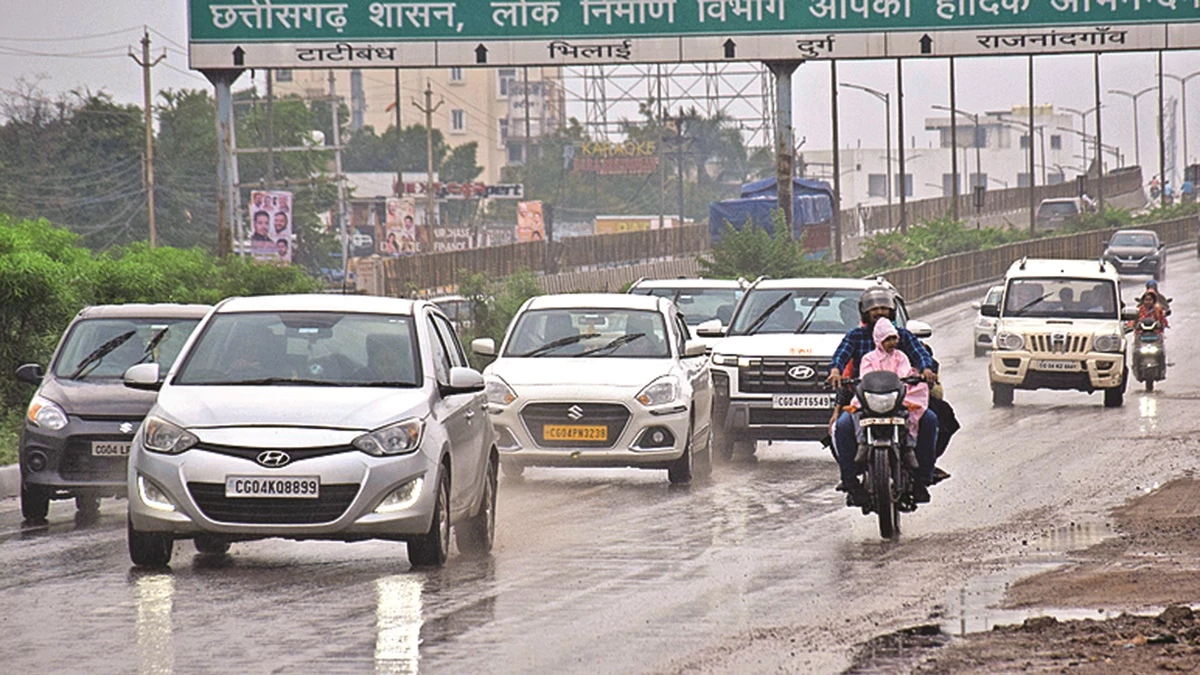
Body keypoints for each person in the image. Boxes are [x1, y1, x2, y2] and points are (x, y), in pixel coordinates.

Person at [827, 286, 939, 507]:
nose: (879, 312)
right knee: (842, 426)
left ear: (892, 312)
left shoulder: (902, 337)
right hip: (865, 400)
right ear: (864, 313)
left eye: (884, 308)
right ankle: (850, 482)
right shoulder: (856, 337)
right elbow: (840, 356)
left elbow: (920, 354)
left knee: (931, 420)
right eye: (874, 309)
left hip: (900, 398)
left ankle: (922, 479)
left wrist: (926, 369)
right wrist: (835, 371)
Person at [857, 318, 929, 453]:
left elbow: (904, 373)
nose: (892, 343)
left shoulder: (901, 356)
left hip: (898, 395)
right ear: (879, 340)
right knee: (855, 412)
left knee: (913, 410)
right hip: (873, 396)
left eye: (894, 338)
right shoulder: (868, 358)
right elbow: (866, 376)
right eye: (887, 339)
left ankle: (909, 445)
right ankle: (862, 440)